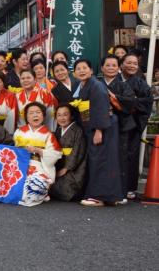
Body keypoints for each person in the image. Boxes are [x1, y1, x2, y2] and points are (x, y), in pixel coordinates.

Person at [73, 59, 124, 206]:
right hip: (96, 125)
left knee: (100, 159)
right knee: (105, 160)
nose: (82, 71)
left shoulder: (96, 85)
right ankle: (110, 196)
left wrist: (99, 130)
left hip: (102, 126)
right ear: (74, 73)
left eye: (85, 68)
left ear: (91, 71)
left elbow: (101, 107)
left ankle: (98, 196)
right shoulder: (83, 86)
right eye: (78, 68)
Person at [100, 55, 138, 197]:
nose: (111, 68)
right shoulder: (97, 83)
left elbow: (130, 103)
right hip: (101, 126)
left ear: (119, 68)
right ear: (102, 68)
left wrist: (114, 99)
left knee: (121, 158)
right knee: (102, 157)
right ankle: (103, 190)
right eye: (107, 65)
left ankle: (121, 191)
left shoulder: (123, 85)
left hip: (122, 126)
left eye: (114, 65)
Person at [14, 102, 62, 207]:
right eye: (31, 113)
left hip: (40, 166)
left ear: (43, 116)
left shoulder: (48, 134)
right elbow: (12, 151)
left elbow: (56, 154)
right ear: (26, 117)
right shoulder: (19, 132)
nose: (35, 115)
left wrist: (39, 150)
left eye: (38, 112)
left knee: (34, 186)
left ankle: (41, 192)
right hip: (21, 166)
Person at [121, 53, 153, 199]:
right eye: (129, 62)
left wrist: (131, 104)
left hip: (133, 124)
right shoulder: (115, 80)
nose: (132, 66)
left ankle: (129, 187)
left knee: (131, 155)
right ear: (121, 64)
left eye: (135, 63)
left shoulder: (141, 83)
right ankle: (115, 185)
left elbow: (147, 102)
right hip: (116, 123)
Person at [49, 104, 87, 202]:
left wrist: (66, 168)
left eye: (65, 115)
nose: (62, 118)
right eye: (59, 115)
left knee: (62, 188)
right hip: (60, 164)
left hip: (74, 168)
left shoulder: (77, 130)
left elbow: (78, 152)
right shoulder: (58, 130)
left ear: (71, 116)